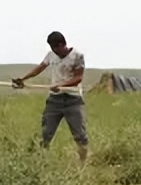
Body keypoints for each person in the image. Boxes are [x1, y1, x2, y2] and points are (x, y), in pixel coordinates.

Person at [12, 31, 88, 162]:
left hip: (72, 99)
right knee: (45, 134)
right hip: (55, 100)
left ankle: (83, 163)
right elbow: (40, 68)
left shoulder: (77, 56)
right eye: (52, 48)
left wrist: (61, 84)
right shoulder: (51, 56)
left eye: (56, 48)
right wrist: (23, 79)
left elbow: (78, 78)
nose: (54, 51)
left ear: (62, 44)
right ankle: (39, 162)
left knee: (80, 134)